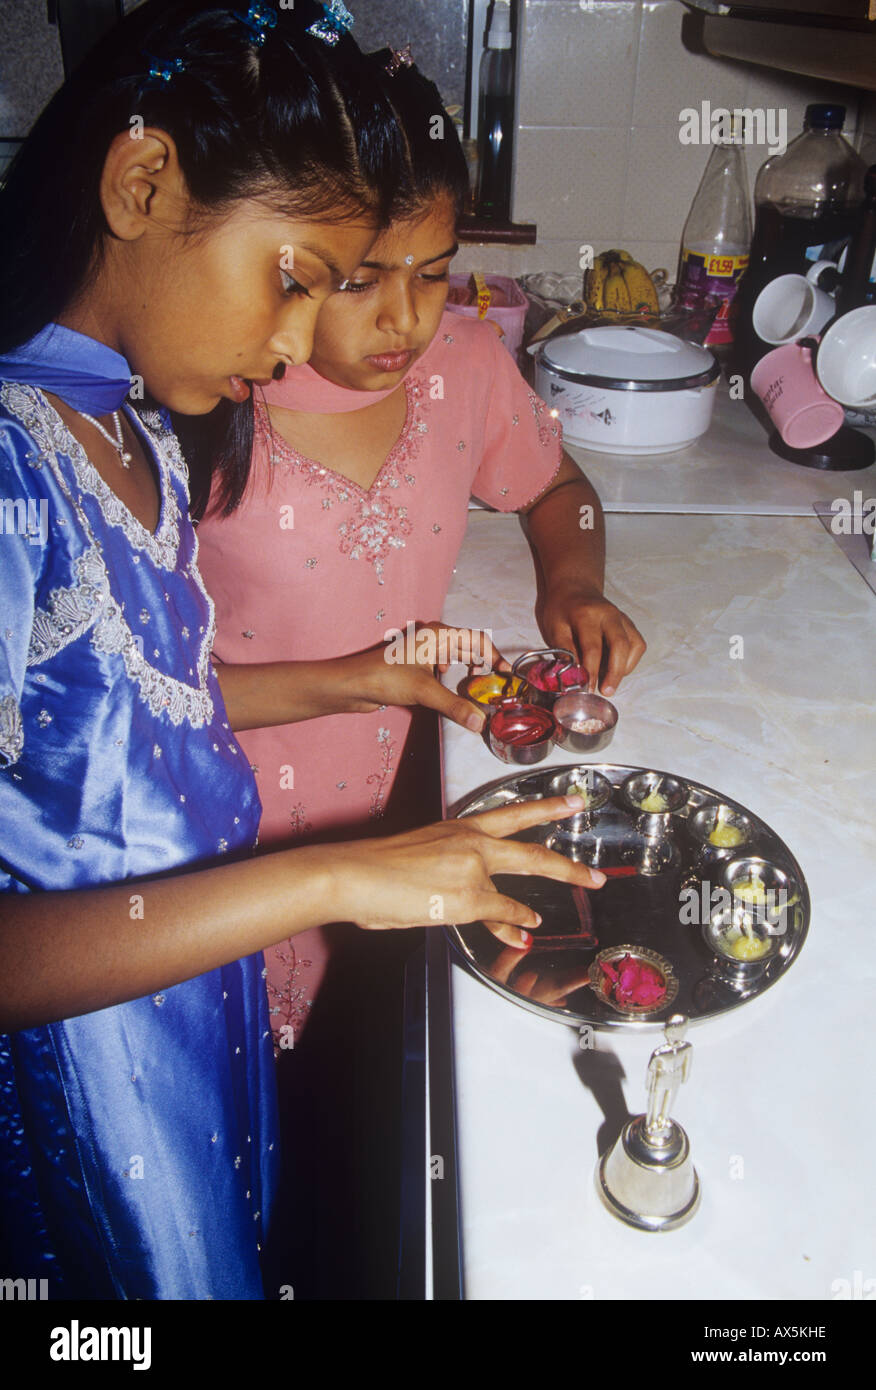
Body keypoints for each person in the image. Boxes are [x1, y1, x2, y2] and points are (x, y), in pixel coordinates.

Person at [0, 0, 605, 1300]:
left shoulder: (133, 423)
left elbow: (128, 711)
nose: (292, 346)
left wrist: (367, 676)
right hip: (90, 1050)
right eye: (299, 279)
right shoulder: (11, 467)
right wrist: (331, 877)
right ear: (142, 180)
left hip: (191, 988)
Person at [195, 48, 647, 1045]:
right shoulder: (204, 389)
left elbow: (558, 487)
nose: (405, 318)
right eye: (358, 281)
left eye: (435, 273)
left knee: (369, 1047)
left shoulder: (467, 368)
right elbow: (138, 690)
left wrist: (576, 585)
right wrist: (368, 677)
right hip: (224, 828)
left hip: (403, 800)